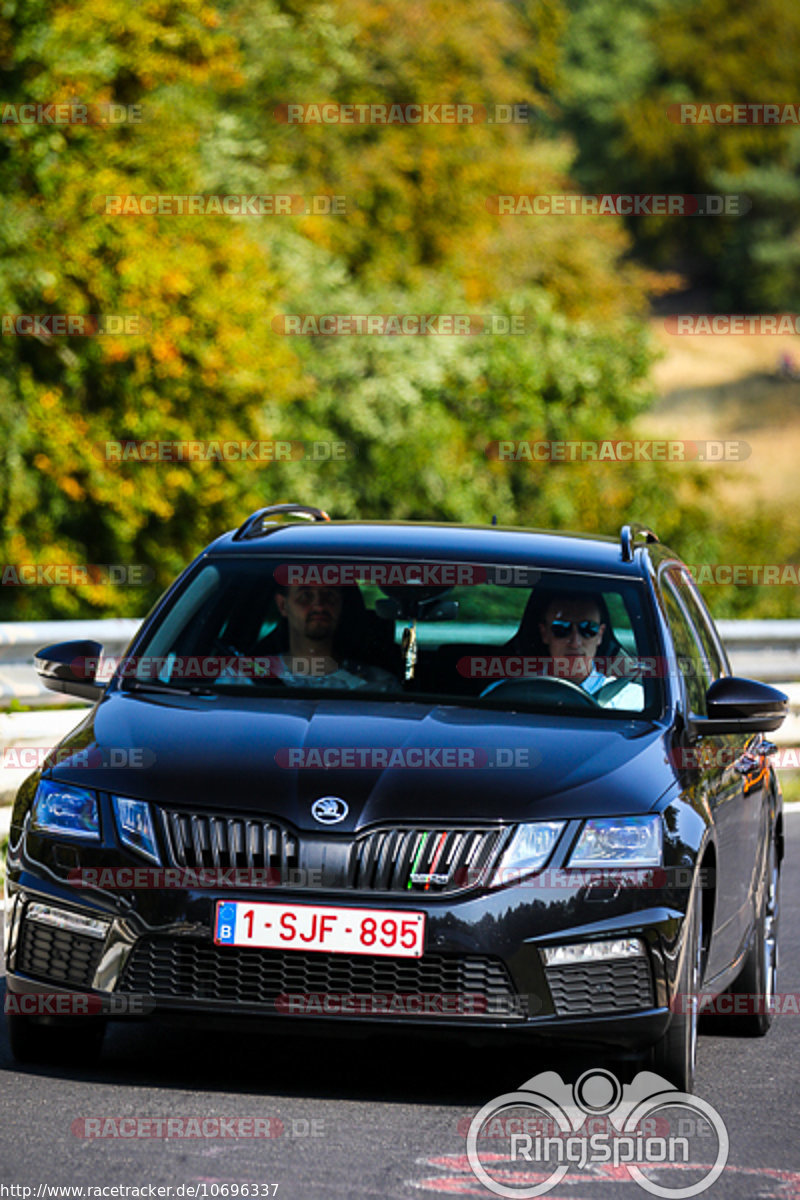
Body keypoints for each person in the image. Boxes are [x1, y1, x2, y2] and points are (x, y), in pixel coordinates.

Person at [271, 583, 400, 691]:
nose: (319, 606)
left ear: (341, 603)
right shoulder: (256, 679)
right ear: (283, 605)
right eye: (305, 596)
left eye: (329, 595)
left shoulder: (379, 686)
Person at [536, 591, 643, 709]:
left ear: (600, 635)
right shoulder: (521, 694)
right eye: (561, 628)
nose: (575, 643)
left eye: (588, 629)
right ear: (544, 633)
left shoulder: (631, 700)